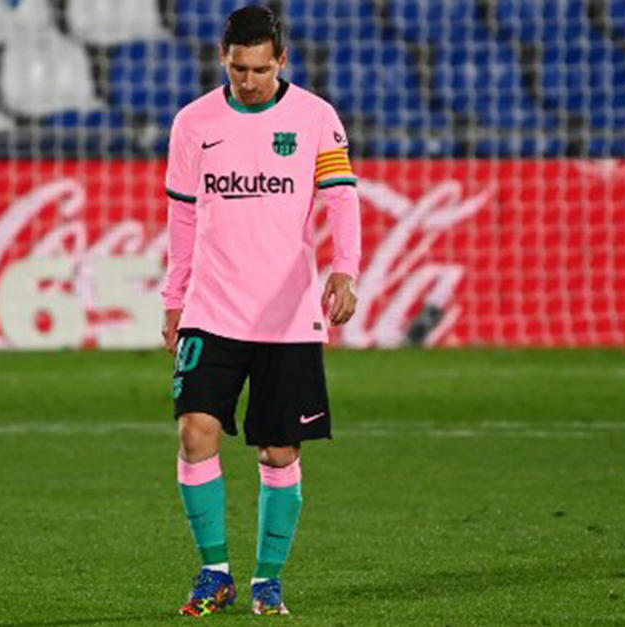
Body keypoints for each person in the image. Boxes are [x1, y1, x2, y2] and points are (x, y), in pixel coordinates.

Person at [161, 5, 361, 617]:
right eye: (238, 67)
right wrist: (175, 298)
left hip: (287, 314)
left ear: (282, 61)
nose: (248, 80)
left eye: (260, 69)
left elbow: (341, 199)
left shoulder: (315, 118)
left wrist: (345, 268)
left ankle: (267, 579)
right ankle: (213, 571)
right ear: (224, 57)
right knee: (195, 431)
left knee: (278, 452)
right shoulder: (194, 122)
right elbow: (183, 215)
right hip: (211, 308)